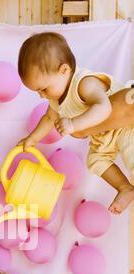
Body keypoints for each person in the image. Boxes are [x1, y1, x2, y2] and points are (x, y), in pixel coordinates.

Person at [17, 31, 134, 215]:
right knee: (95, 160)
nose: (42, 95)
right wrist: (32, 138)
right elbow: (48, 118)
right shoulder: (56, 100)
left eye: (44, 89)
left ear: (64, 71)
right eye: (37, 92)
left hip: (123, 126)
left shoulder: (84, 84)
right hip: (103, 138)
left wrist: (74, 124)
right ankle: (125, 187)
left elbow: (104, 107)